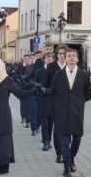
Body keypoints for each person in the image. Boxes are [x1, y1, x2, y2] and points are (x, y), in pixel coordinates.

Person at [0, 59, 37, 175]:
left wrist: (33, 91)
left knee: (3, 140)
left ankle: (4, 164)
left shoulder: (7, 80)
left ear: (1, 68)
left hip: (3, 114)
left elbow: (19, 93)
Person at [39, 48, 91, 177]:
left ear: (77, 59)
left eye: (74, 56)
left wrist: (80, 101)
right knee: (65, 139)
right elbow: (53, 89)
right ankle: (67, 165)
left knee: (77, 138)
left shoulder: (84, 75)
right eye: (69, 56)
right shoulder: (58, 75)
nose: (71, 57)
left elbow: (89, 92)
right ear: (65, 58)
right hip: (62, 110)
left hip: (77, 111)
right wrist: (44, 90)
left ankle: (71, 158)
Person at [41, 44, 68, 163]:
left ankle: (67, 152)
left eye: (64, 53)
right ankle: (60, 153)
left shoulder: (72, 67)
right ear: (56, 55)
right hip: (55, 102)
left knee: (68, 129)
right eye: (60, 54)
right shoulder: (52, 67)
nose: (62, 56)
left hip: (69, 103)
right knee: (58, 129)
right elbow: (46, 83)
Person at [33, 52, 54, 151]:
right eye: (47, 57)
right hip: (42, 98)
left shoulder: (56, 71)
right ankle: (45, 141)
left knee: (50, 121)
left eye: (51, 57)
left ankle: (49, 139)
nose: (49, 59)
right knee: (44, 120)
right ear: (44, 59)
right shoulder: (39, 71)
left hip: (52, 98)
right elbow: (36, 84)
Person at [17, 55, 31, 127]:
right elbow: (17, 76)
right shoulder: (20, 67)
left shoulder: (31, 67)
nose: (27, 60)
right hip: (21, 87)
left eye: (28, 59)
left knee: (28, 104)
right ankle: (23, 117)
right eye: (25, 59)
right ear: (23, 59)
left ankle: (28, 119)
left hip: (29, 87)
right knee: (22, 103)